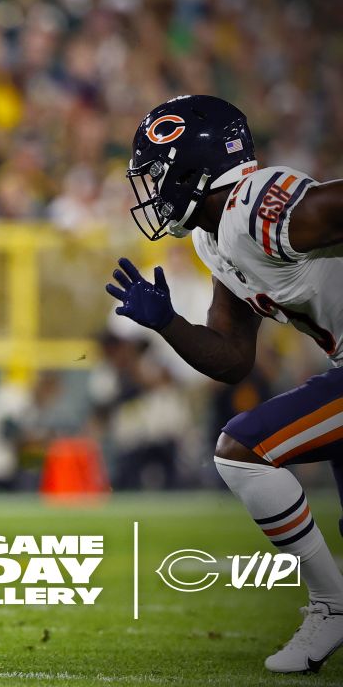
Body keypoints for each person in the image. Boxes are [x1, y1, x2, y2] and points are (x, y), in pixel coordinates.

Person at [105, 94, 343, 673]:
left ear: (191, 166)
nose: (153, 191)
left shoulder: (255, 205)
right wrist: (168, 323)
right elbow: (233, 357)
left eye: (158, 175)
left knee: (244, 449)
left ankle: (332, 606)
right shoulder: (215, 234)